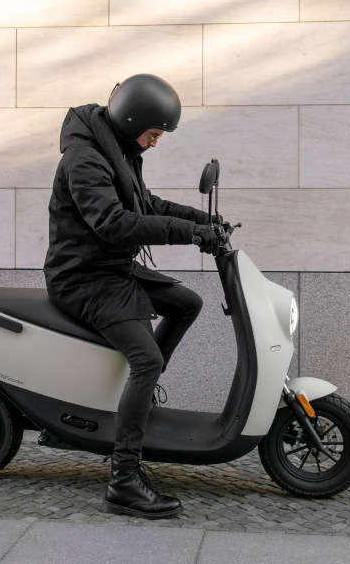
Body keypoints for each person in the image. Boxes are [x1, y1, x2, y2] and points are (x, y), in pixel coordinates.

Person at [43, 74, 218, 520]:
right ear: (132, 119)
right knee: (147, 360)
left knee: (187, 303)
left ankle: (138, 398)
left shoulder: (118, 150)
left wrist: (205, 220)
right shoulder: (85, 159)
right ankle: (124, 481)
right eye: (154, 134)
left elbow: (145, 203)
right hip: (84, 279)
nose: (155, 144)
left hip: (111, 270)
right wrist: (190, 234)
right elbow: (116, 224)